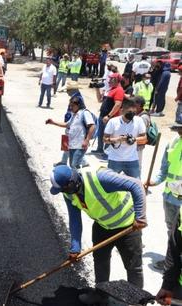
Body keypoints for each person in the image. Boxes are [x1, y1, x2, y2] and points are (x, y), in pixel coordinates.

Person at [50, 165, 147, 304]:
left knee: (133, 267)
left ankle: (138, 301)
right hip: (102, 226)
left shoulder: (100, 178)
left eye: (63, 189)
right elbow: (75, 219)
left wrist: (140, 217)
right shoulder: (68, 193)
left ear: (71, 183)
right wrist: (75, 247)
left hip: (128, 226)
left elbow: (136, 184)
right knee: (100, 261)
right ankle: (101, 295)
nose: (62, 192)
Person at [145, 123, 182, 271]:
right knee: (171, 232)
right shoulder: (172, 143)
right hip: (169, 197)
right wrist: (154, 181)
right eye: (178, 128)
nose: (179, 131)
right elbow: (164, 169)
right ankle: (171, 262)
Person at [46, 96, 95, 168]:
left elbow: (92, 126)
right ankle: (75, 177)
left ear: (78, 105)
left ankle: (81, 172)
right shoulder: (74, 114)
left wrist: (87, 140)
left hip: (80, 145)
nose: (70, 108)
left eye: (72, 106)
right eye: (70, 106)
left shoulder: (84, 113)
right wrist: (53, 122)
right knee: (72, 165)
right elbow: (67, 124)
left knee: (75, 165)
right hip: (72, 144)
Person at [103, 98, 147, 178]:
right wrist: (117, 139)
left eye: (134, 112)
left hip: (132, 159)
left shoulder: (139, 121)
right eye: (129, 112)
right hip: (115, 159)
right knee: (109, 182)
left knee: (136, 183)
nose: (132, 115)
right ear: (122, 110)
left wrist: (134, 139)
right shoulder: (113, 122)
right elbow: (105, 139)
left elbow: (144, 138)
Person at [92, 72, 124, 157]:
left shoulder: (119, 90)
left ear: (117, 80)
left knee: (108, 135)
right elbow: (100, 100)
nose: (109, 80)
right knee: (100, 133)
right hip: (103, 115)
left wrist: (109, 116)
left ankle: (107, 153)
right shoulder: (110, 89)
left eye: (112, 79)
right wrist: (97, 89)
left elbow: (118, 104)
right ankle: (99, 149)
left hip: (110, 117)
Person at [134, 96, 151, 171]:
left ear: (139, 105)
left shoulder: (143, 117)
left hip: (138, 146)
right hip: (133, 144)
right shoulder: (137, 114)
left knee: (136, 167)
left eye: (134, 104)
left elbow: (142, 133)